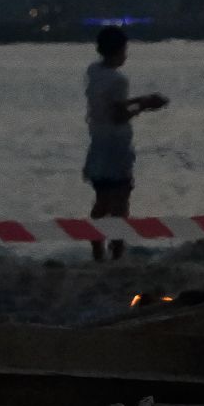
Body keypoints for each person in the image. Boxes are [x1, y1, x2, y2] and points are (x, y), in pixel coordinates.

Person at [82, 25, 167, 261]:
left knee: (101, 201)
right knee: (120, 204)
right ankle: (117, 253)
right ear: (119, 50)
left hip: (98, 145)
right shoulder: (118, 79)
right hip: (115, 149)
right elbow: (118, 115)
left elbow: (112, 104)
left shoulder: (94, 72)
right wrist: (145, 106)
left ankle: (97, 251)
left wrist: (141, 99)